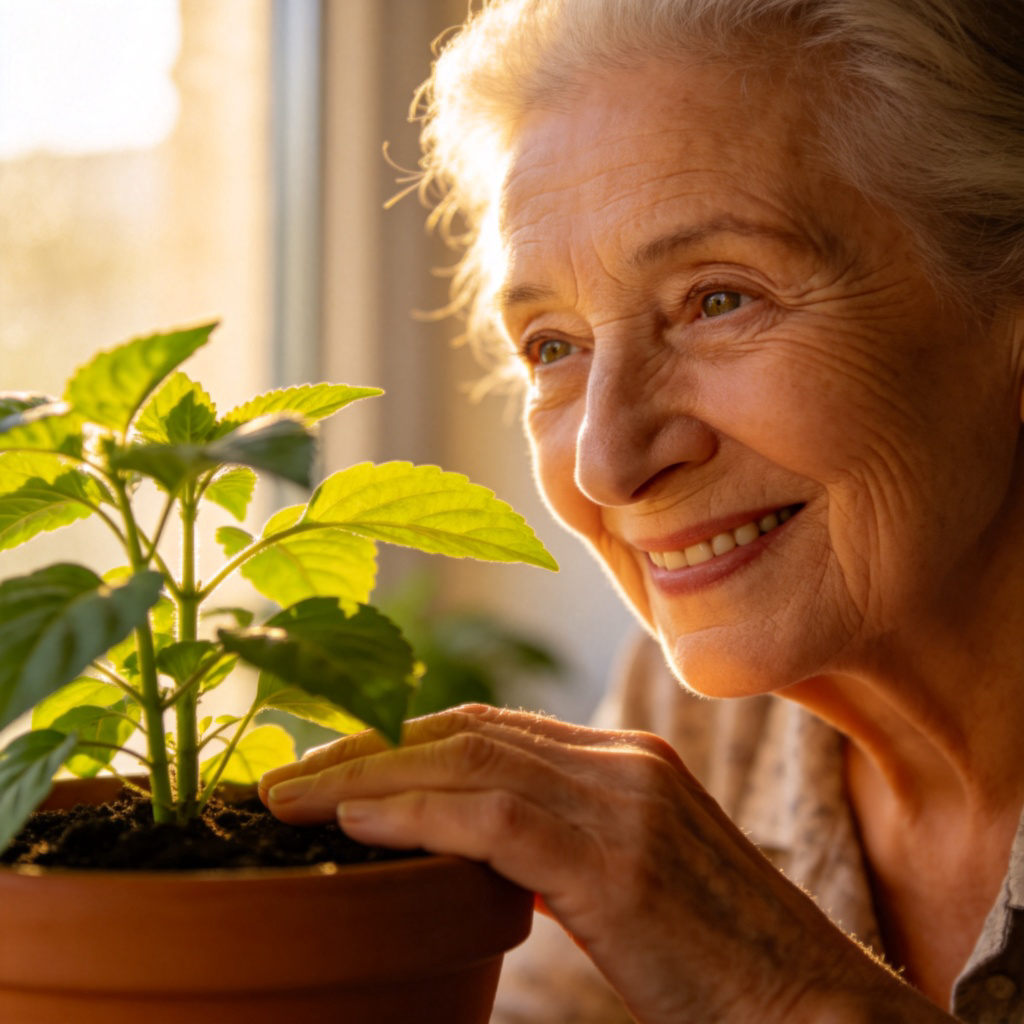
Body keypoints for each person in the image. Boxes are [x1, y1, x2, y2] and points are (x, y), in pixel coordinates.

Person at [258, 0, 1024, 1020]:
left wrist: (789, 992)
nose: (608, 463)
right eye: (553, 346)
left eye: (719, 298)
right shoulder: (706, 726)